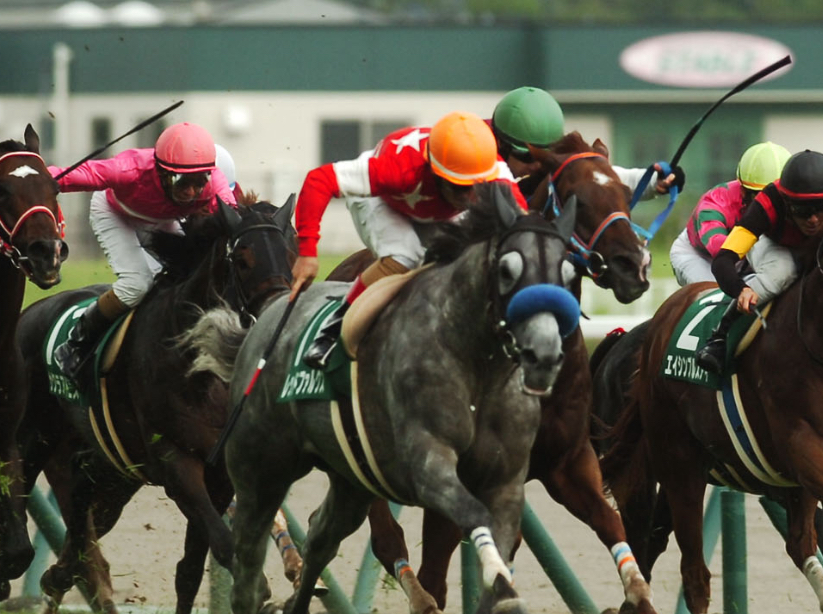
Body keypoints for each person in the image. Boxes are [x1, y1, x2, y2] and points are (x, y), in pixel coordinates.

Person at [291, 110, 529, 369]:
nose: (470, 198)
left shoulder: (493, 170)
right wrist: (307, 253)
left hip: (432, 204)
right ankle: (332, 329)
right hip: (382, 200)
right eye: (460, 187)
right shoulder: (399, 169)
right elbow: (319, 180)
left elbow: (523, 227)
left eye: (477, 187)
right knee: (405, 256)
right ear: (436, 172)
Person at [49, 122, 236, 380]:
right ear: (160, 171)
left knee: (187, 279)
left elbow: (235, 221)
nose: (191, 192)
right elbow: (66, 176)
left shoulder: (215, 183)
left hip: (162, 219)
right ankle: (77, 342)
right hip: (115, 213)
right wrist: (28, 178)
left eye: (198, 181)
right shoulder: (129, 169)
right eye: (181, 181)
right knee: (137, 284)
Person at [693, 149, 823, 374]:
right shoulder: (767, 204)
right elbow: (723, 260)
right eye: (802, 211)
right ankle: (720, 337)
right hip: (774, 243)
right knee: (783, 272)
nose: (813, 219)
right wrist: (741, 290)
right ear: (786, 203)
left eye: (822, 209)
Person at [490, 85, 682, 199]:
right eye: (528, 157)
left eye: (545, 156)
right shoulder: (475, 156)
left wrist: (653, 180)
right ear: (502, 145)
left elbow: (594, 178)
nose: (538, 165)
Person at [669, 141, 790, 287]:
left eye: (775, 197)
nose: (766, 203)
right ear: (743, 189)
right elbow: (719, 249)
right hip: (700, 257)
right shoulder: (715, 202)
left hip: (743, 258)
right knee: (717, 292)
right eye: (757, 195)